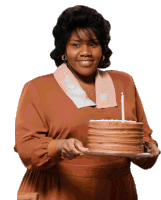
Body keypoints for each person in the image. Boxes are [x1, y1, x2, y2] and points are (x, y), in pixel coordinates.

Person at [15, 5, 160, 200]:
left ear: (102, 50)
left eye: (93, 44)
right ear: (63, 51)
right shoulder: (37, 88)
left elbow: (142, 138)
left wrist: (148, 149)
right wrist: (58, 147)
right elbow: (26, 148)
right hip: (57, 192)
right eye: (76, 45)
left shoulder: (124, 83)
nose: (85, 52)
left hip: (116, 192)